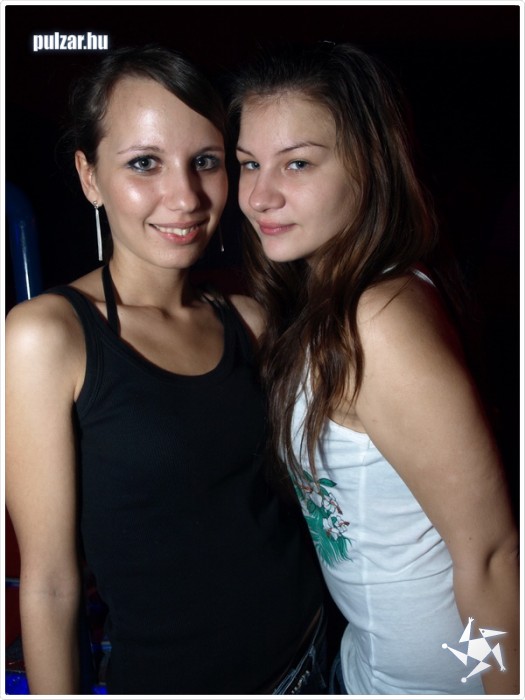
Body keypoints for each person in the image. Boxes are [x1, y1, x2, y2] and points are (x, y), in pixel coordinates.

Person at [5, 45, 327, 695]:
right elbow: (49, 583)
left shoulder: (251, 319)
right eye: (144, 163)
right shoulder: (48, 336)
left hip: (321, 660)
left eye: (205, 161)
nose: (184, 197)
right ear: (89, 177)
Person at [229, 41, 519, 695]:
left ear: (367, 164)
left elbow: (494, 557)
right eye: (249, 163)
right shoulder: (327, 302)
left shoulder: (378, 318)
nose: (259, 195)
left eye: (297, 163)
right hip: (368, 669)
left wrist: (498, 689)